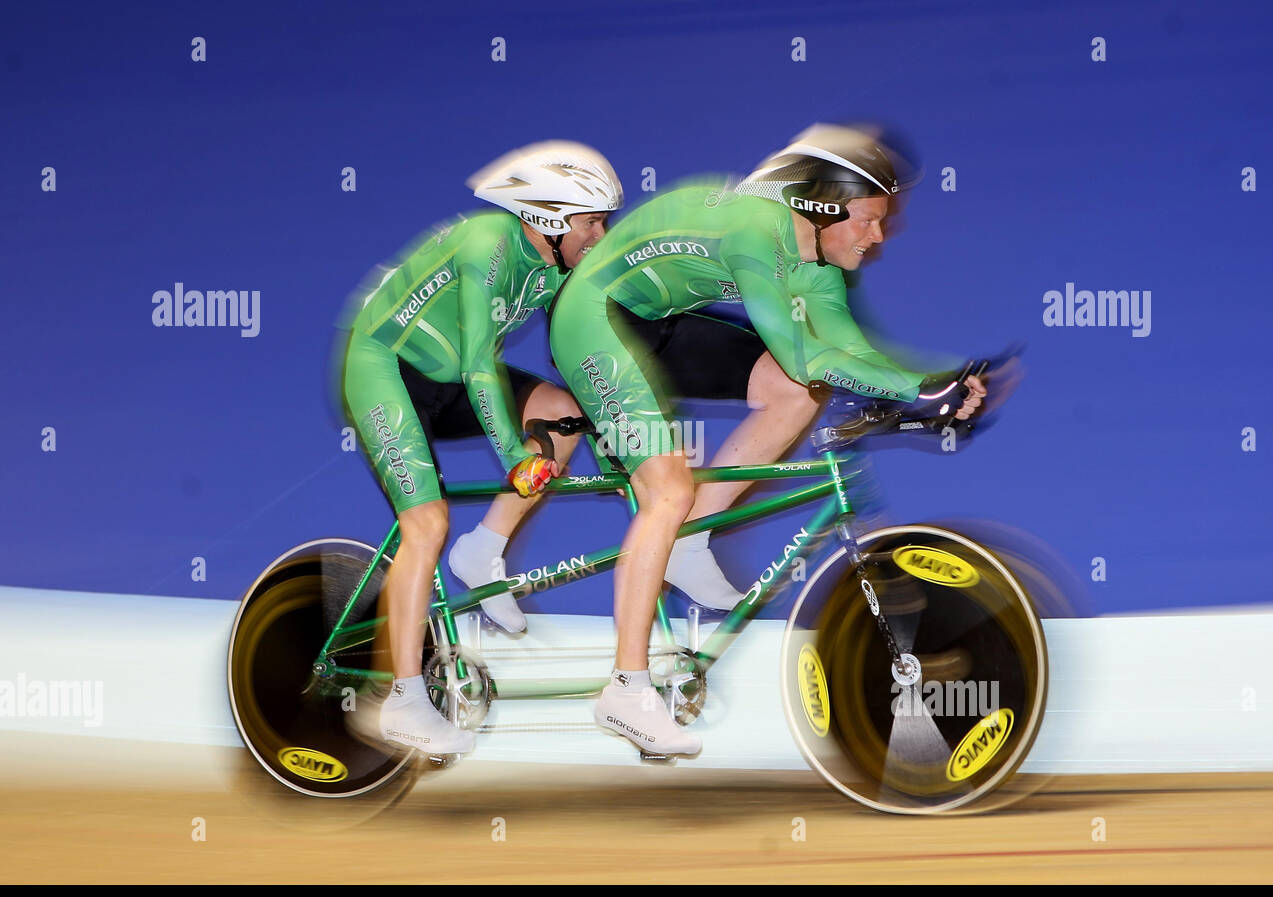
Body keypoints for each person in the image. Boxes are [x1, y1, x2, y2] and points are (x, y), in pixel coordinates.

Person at [547, 123, 987, 756]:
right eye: (866, 220)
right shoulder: (758, 231)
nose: (878, 235)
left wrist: (930, 386)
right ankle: (625, 686)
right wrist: (917, 393)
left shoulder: (819, 267)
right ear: (822, 208)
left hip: (653, 322)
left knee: (794, 390)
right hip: (593, 320)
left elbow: (848, 353)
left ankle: (690, 539)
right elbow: (801, 350)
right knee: (666, 491)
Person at [335, 141, 623, 754]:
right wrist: (515, 454)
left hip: (444, 380)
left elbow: (587, 351)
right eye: (593, 220)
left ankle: (484, 551)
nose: (603, 233)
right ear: (548, 217)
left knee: (564, 414)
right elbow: (476, 365)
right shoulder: (487, 243)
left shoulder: (556, 268)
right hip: (385, 370)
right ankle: (404, 700)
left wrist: (619, 423)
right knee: (426, 523)